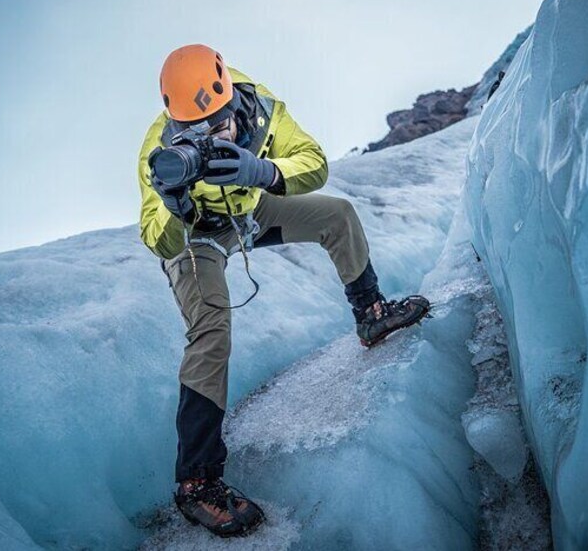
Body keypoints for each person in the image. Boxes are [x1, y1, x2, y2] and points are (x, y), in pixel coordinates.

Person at [137, 44, 431, 537]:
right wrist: (175, 206)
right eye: (193, 132)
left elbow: (313, 162)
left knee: (336, 215)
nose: (206, 140)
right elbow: (154, 238)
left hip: (250, 209)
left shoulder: (264, 107)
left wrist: (265, 172)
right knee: (211, 328)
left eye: (215, 126)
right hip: (195, 237)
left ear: (231, 101)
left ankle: (371, 310)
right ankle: (196, 482)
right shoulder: (158, 148)